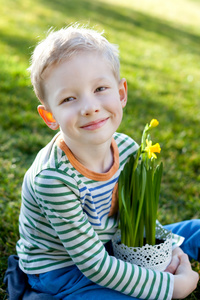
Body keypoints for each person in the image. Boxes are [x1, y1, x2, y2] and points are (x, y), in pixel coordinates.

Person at [10, 24, 199, 299]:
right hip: (63, 270)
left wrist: (170, 249)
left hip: (114, 245)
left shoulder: (127, 147)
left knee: (195, 231)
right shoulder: (53, 178)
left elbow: (140, 216)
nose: (90, 107)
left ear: (121, 94)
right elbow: (95, 265)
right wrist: (173, 286)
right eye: (69, 98)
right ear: (50, 116)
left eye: (100, 88)